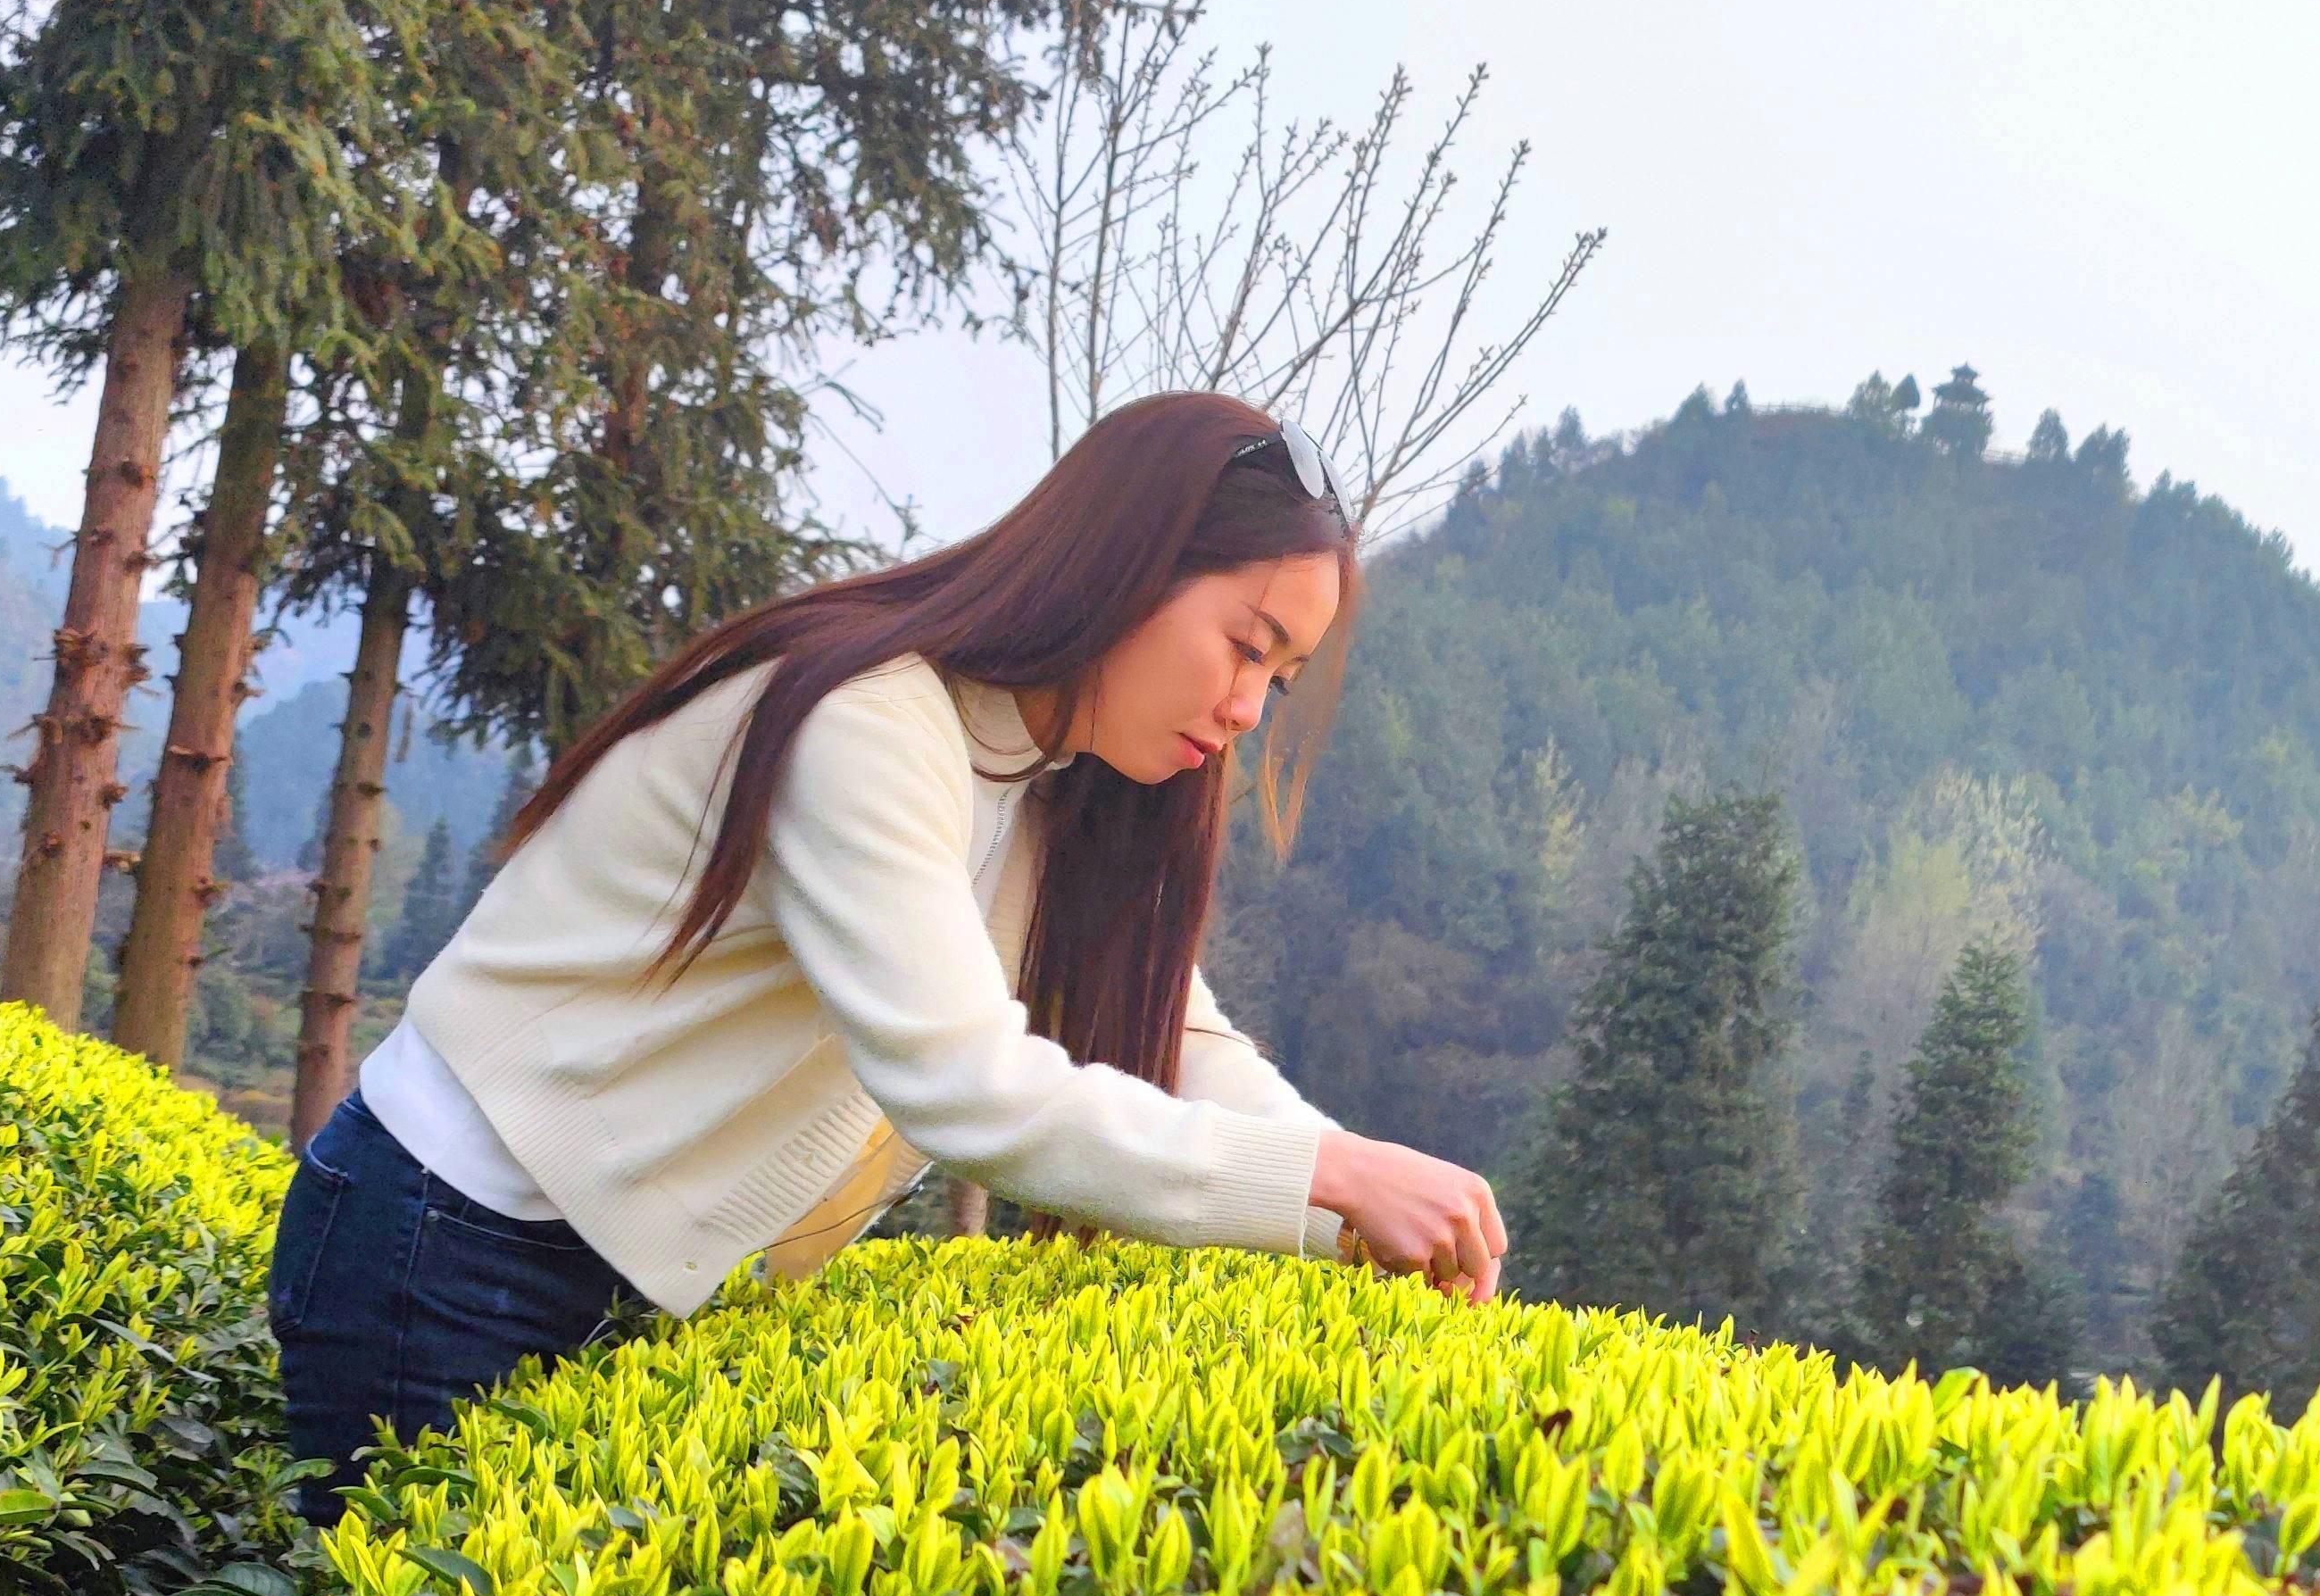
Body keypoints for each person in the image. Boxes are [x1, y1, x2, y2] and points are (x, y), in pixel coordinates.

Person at [272, 393, 1509, 1500]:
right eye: (1245, 646)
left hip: (612, 1260)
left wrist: (1346, 1175)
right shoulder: (867, 721)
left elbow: (1176, 1037)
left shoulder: (1052, 780)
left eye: (1280, 680)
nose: (1247, 710)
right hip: (442, 1237)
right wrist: (1327, 1184)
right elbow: (968, 1088)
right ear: (1128, 566)